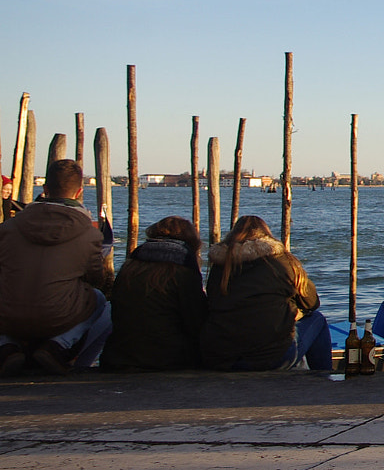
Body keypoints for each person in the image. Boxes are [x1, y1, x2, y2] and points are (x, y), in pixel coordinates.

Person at [0, 159, 114, 375]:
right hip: (59, 318)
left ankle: (6, 346)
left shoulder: (8, 227)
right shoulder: (90, 233)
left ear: (45, 189)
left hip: (8, 316)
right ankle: (60, 347)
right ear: (79, 191)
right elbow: (95, 277)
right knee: (101, 300)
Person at [200, 215, 330, 371]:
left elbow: (213, 302)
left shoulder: (220, 267)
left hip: (223, 358)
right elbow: (311, 302)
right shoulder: (282, 261)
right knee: (317, 320)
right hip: (272, 359)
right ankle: (323, 377)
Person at [100, 216, 207, 371]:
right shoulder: (183, 268)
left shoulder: (132, 264)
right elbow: (195, 319)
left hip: (120, 355)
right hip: (167, 358)